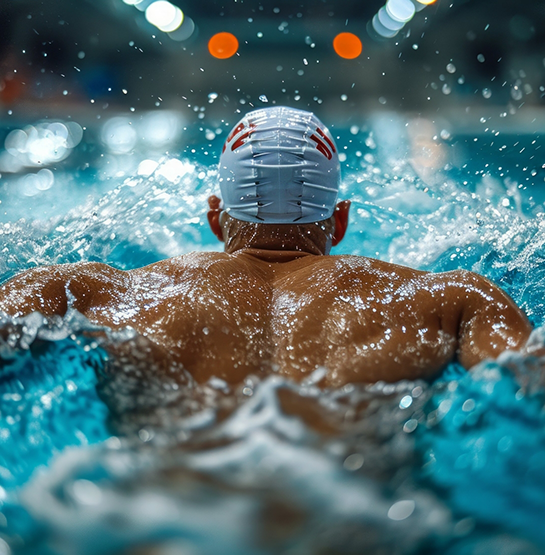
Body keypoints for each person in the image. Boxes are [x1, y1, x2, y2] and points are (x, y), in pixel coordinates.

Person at [0, 107, 533, 387]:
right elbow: (529, 383)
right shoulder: (454, 302)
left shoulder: (83, 291)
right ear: (340, 221)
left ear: (214, 216)